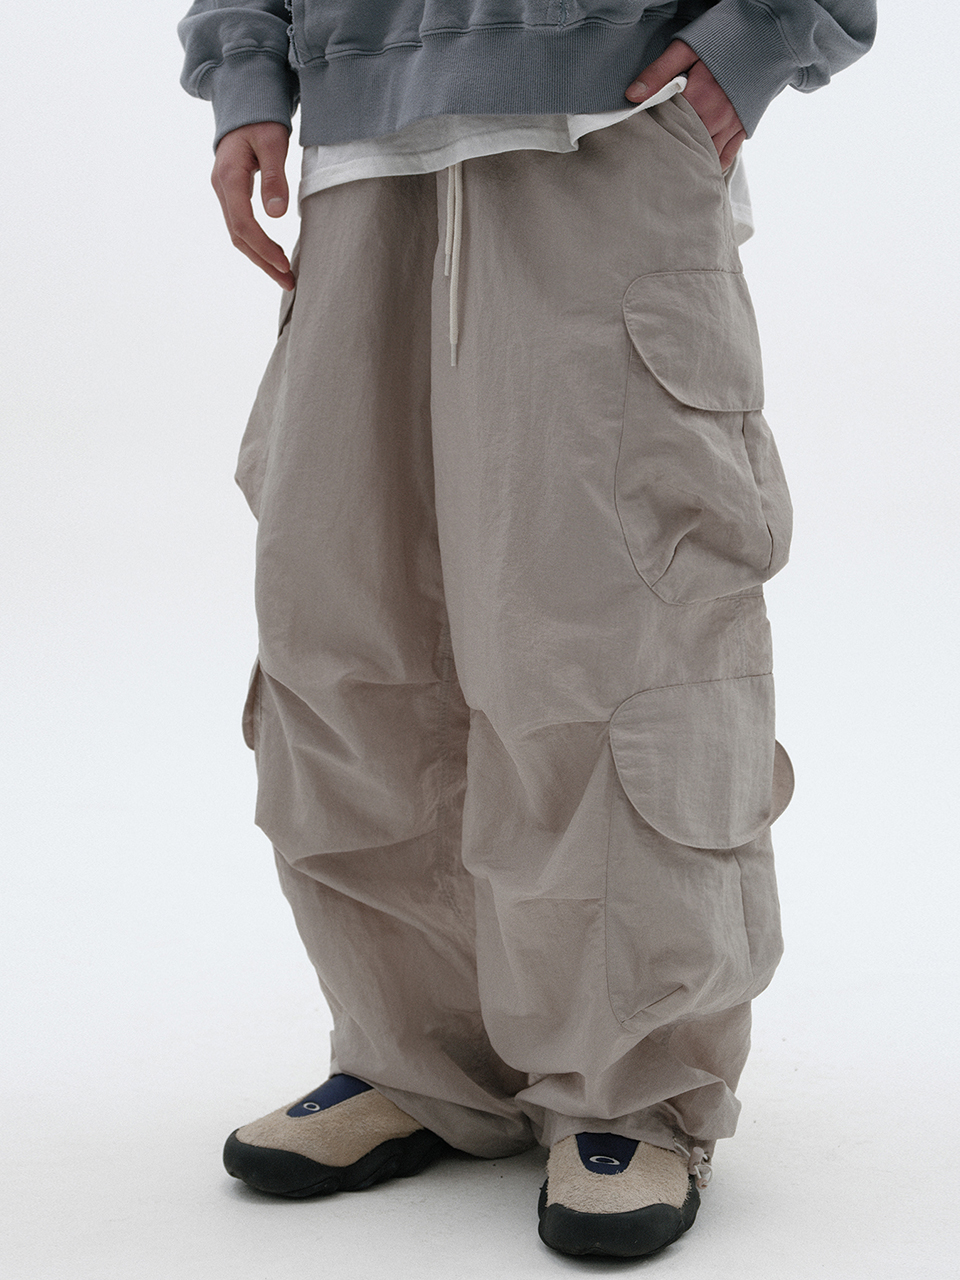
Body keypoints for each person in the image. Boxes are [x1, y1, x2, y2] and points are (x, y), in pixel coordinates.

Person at [178, 0, 875, 1260]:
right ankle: (418, 1053)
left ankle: (629, 1086)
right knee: (347, 625)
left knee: (605, 635)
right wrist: (247, 68)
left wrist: (767, 31)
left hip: (601, 124)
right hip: (357, 151)